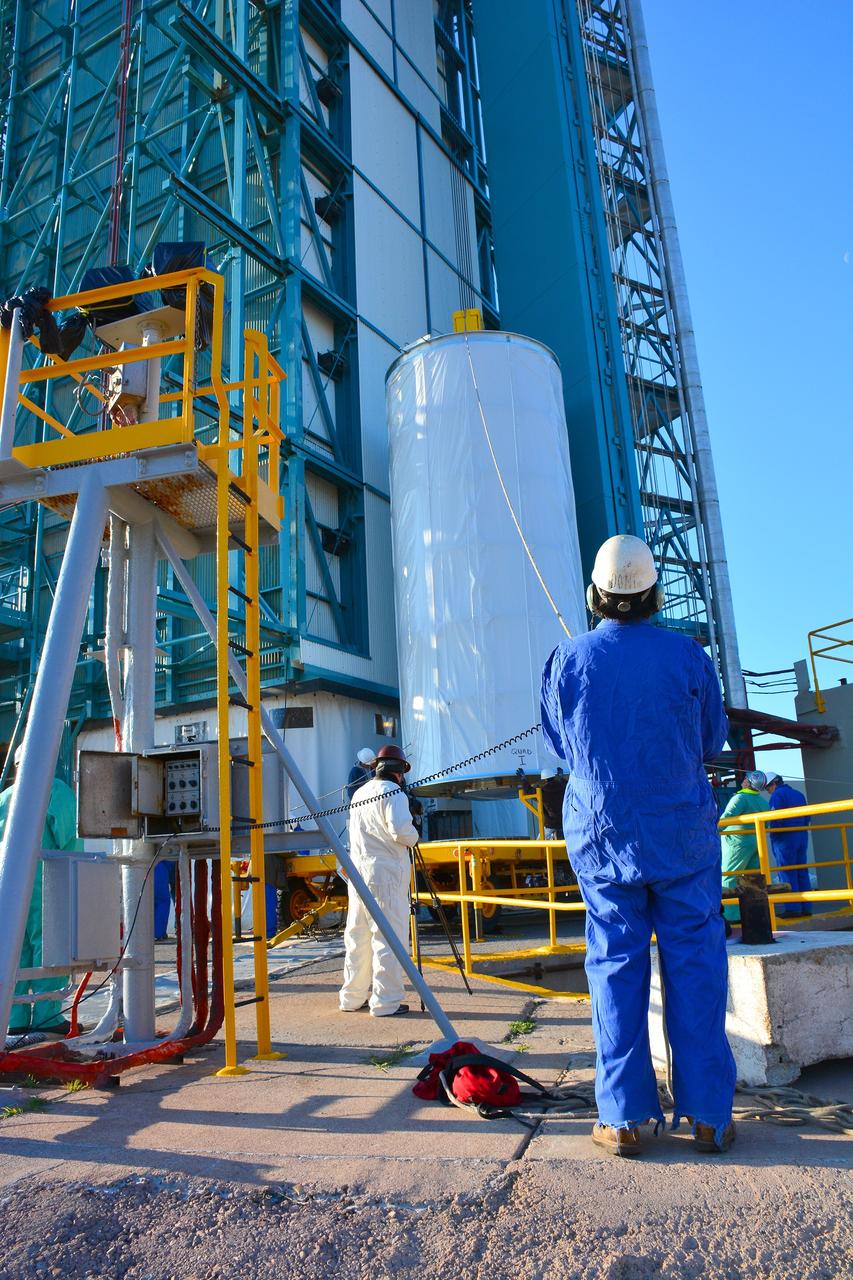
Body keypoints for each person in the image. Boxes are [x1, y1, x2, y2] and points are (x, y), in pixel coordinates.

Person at [540, 534, 736, 1157]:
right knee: (697, 966)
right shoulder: (689, 658)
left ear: (596, 595)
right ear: (653, 594)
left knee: (614, 966)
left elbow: (563, 747)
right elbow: (710, 740)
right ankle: (709, 1115)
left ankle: (622, 1117)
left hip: (604, 836)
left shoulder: (566, 660)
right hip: (681, 836)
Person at [1, 752, 81, 1037]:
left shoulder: (5, 797)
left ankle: (14, 1017)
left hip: (8, 883)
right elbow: (70, 841)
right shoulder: (57, 793)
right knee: (49, 948)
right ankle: (49, 1017)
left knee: (13, 949)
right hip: (48, 881)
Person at [339, 745, 419, 1017]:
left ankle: (351, 997)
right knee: (389, 939)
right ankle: (386, 1002)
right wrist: (415, 834)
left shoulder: (359, 793)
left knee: (358, 937)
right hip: (385, 876)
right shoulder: (393, 793)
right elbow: (401, 833)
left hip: (359, 875)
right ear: (399, 772)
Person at [720, 771, 768, 923]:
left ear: (749, 783)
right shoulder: (762, 801)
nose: (744, 779)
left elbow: (727, 817)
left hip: (737, 843)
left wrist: (712, 831)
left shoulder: (740, 798)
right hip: (757, 842)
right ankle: (753, 912)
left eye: (746, 778)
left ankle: (731, 915)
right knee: (752, 877)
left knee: (729, 876)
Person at [765, 772, 812, 917]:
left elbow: (776, 818)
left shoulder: (777, 796)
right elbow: (807, 816)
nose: (768, 790)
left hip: (784, 837)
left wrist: (772, 831)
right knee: (801, 871)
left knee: (786, 872)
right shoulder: (798, 794)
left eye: (768, 787)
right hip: (801, 835)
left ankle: (792, 908)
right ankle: (806, 907)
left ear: (774, 783)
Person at [539, 768, 568, 840]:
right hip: (563, 822)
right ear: (554, 777)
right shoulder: (562, 787)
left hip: (551, 824)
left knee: (538, 844)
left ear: (545, 780)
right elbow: (566, 784)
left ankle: (553, 837)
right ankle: (555, 837)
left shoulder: (542, 792)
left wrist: (524, 779)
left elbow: (528, 791)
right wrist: (561, 776)